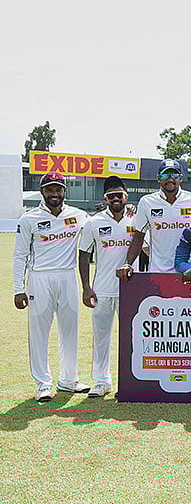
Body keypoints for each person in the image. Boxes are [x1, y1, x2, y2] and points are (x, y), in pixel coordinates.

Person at [13, 172, 91, 401]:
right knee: (39, 332)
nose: (54, 194)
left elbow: (100, 223)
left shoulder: (78, 215)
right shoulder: (28, 219)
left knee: (70, 331)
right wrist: (19, 289)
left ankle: (68, 380)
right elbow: (20, 256)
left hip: (67, 277)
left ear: (64, 191)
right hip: (40, 278)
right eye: (50, 189)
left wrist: (130, 210)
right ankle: (43, 384)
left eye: (58, 189)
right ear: (42, 192)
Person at [77, 176, 135, 398]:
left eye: (119, 195)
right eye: (111, 196)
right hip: (101, 288)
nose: (115, 199)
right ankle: (102, 382)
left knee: (130, 337)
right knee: (101, 337)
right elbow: (84, 254)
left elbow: (146, 248)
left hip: (130, 289)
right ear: (105, 198)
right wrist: (86, 287)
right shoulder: (93, 222)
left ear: (126, 196)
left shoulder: (136, 219)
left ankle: (129, 382)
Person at [118, 159, 191, 281]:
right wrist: (128, 263)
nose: (170, 179)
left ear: (181, 178)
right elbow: (139, 236)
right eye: (165, 175)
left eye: (174, 175)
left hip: (188, 271)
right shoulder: (147, 202)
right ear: (159, 178)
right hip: (158, 272)